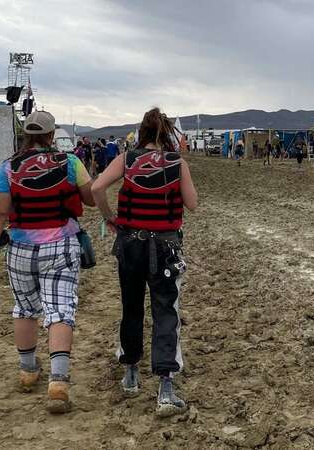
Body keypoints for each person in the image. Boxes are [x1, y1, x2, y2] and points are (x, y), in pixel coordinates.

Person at [0, 111, 95, 414]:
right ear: (52, 135)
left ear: (25, 134)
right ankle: (58, 382)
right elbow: (90, 199)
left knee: (25, 308)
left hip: (20, 248)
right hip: (61, 245)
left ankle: (28, 372)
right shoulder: (70, 163)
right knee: (60, 309)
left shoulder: (8, 167)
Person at [91, 108, 198, 418]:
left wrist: (109, 217)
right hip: (165, 245)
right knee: (166, 310)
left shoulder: (127, 159)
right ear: (166, 134)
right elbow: (192, 204)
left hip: (130, 243)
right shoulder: (177, 163)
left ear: (141, 132)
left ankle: (131, 374)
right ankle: (165, 388)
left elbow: (98, 187)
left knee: (132, 307)